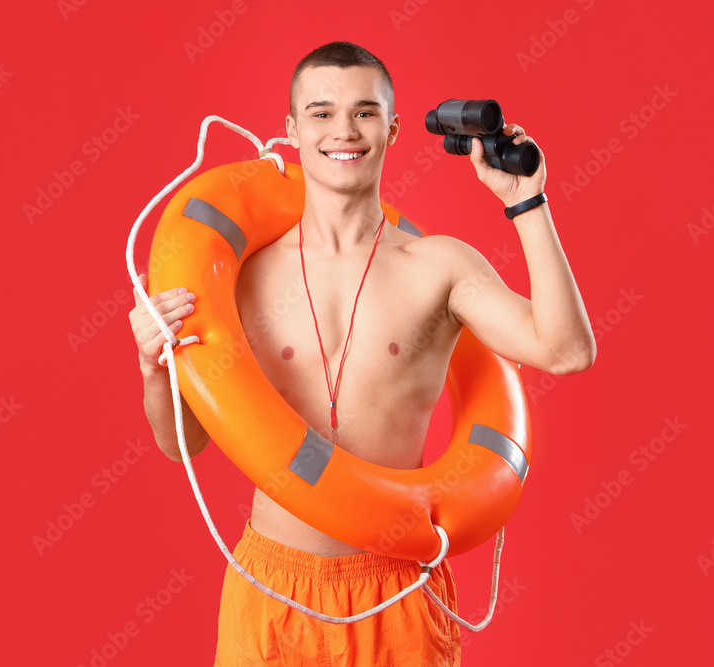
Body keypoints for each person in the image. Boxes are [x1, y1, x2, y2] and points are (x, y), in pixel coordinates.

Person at [129, 41, 595, 666]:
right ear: (290, 130)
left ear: (393, 128)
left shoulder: (440, 267)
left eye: (365, 112)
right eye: (320, 113)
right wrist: (152, 368)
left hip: (395, 587)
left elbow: (565, 351)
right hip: (274, 584)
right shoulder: (241, 277)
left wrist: (526, 201)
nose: (343, 130)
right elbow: (184, 442)